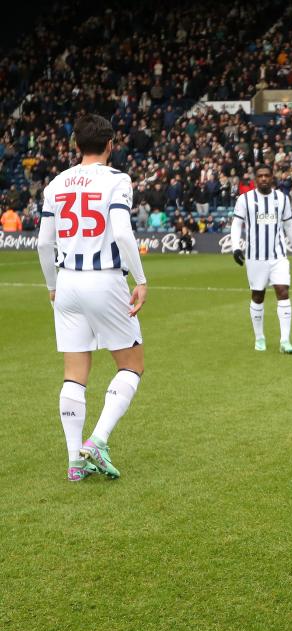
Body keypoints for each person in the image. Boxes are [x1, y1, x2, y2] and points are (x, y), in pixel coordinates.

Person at [35, 114, 148, 482]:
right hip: (104, 280)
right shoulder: (117, 180)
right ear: (110, 145)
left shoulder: (56, 183)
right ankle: (97, 440)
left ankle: (74, 462)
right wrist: (141, 279)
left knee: (74, 374)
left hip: (67, 281)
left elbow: (43, 243)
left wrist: (52, 285)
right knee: (131, 365)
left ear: (76, 145)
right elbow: (123, 232)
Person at [230, 164, 292, 354]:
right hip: (255, 257)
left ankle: (285, 340)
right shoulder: (245, 199)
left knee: (283, 292)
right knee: (257, 296)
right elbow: (237, 224)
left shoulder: (282, 198)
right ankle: (259, 338)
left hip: (278, 256)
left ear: (272, 177)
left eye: (267, 175)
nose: (263, 178)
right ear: (255, 178)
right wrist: (236, 247)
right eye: (260, 175)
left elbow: (289, 227)